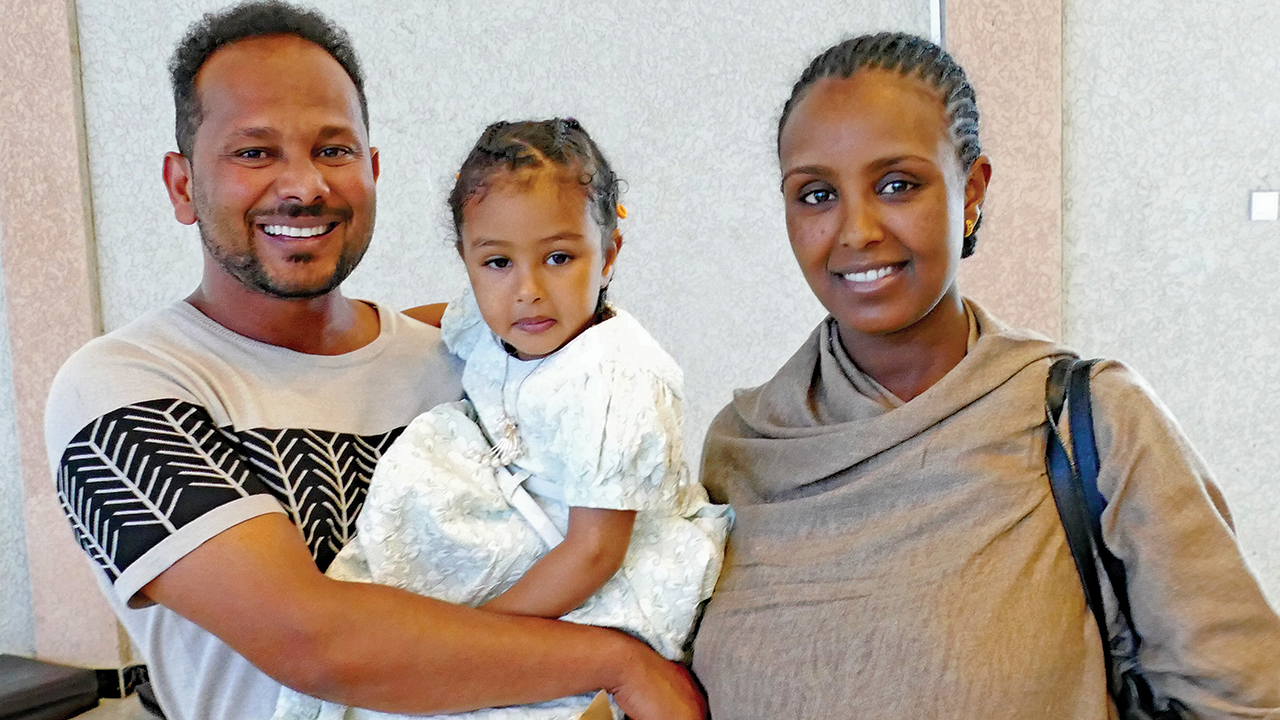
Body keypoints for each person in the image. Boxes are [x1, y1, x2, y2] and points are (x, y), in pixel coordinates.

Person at [42, 4, 707, 720]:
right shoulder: (123, 388)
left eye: (333, 150)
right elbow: (315, 643)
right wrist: (621, 664)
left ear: (373, 169)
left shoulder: (472, 361)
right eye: (254, 152)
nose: (304, 186)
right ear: (181, 185)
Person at [690, 32, 1280, 719]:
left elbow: (1246, 702)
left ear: (970, 193)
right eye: (816, 195)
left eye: (896, 185)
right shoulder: (743, 449)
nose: (854, 231)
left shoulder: (1089, 421)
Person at [274, 118, 730, 720]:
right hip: (523, 526)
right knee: (372, 626)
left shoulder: (614, 379)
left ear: (609, 253)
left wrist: (473, 638)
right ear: (468, 261)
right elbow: (431, 324)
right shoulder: (498, 323)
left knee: (489, 694)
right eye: (497, 263)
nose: (528, 290)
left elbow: (595, 552)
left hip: (593, 566)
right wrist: (339, 351)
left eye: (560, 257)